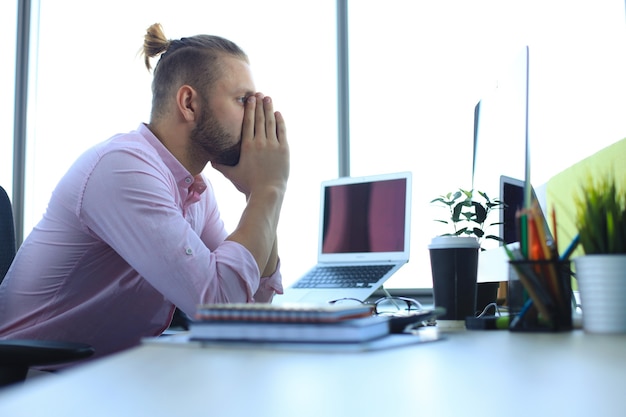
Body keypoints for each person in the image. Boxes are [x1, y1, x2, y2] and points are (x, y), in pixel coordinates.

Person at [0, 23, 289, 362]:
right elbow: (217, 307)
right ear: (189, 103)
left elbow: (250, 306)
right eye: (243, 100)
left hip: (106, 377)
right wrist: (268, 189)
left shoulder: (195, 190)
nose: (257, 116)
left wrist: (263, 193)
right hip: (33, 384)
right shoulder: (124, 167)